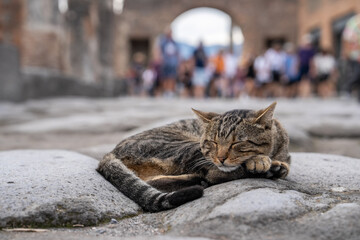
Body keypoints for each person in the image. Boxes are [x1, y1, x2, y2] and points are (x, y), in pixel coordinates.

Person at [343, 14, 360, 101]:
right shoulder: (354, 24)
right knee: (357, 74)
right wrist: (347, 53)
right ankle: (347, 88)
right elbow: (347, 41)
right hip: (355, 57)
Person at [159, 28, 179, 97]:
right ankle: (165, 91)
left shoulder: (174, 42)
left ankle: (170, 91)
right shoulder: (163, 41)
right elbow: (159, 50)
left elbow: (177, 52)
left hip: (173, 62)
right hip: (166, 62)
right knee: (165, 77)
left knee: (172, 77)